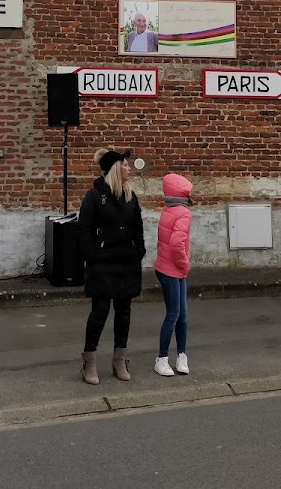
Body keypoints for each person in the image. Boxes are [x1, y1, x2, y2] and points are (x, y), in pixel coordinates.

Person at [77, 148, 145, 384]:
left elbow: (138, 226)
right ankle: (89, 361)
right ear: (116, 169)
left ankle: (120, 359)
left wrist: (139, 250)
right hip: (103, 263)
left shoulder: (130, 195)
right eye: (125, 165)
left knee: (124, 313)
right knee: (100, 312)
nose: (129, 169)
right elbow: (83, 229)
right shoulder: (95, 196)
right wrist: (92, 256)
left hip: (126, 261)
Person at [153, 173, 193, 378]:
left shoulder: (167, 209)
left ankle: (181, 356)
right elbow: (177, 244)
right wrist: (185, 264)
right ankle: (161, 359)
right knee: (175, 315)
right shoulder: (183, 213)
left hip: (168, 269)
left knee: (181, 315)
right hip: (172, 270)